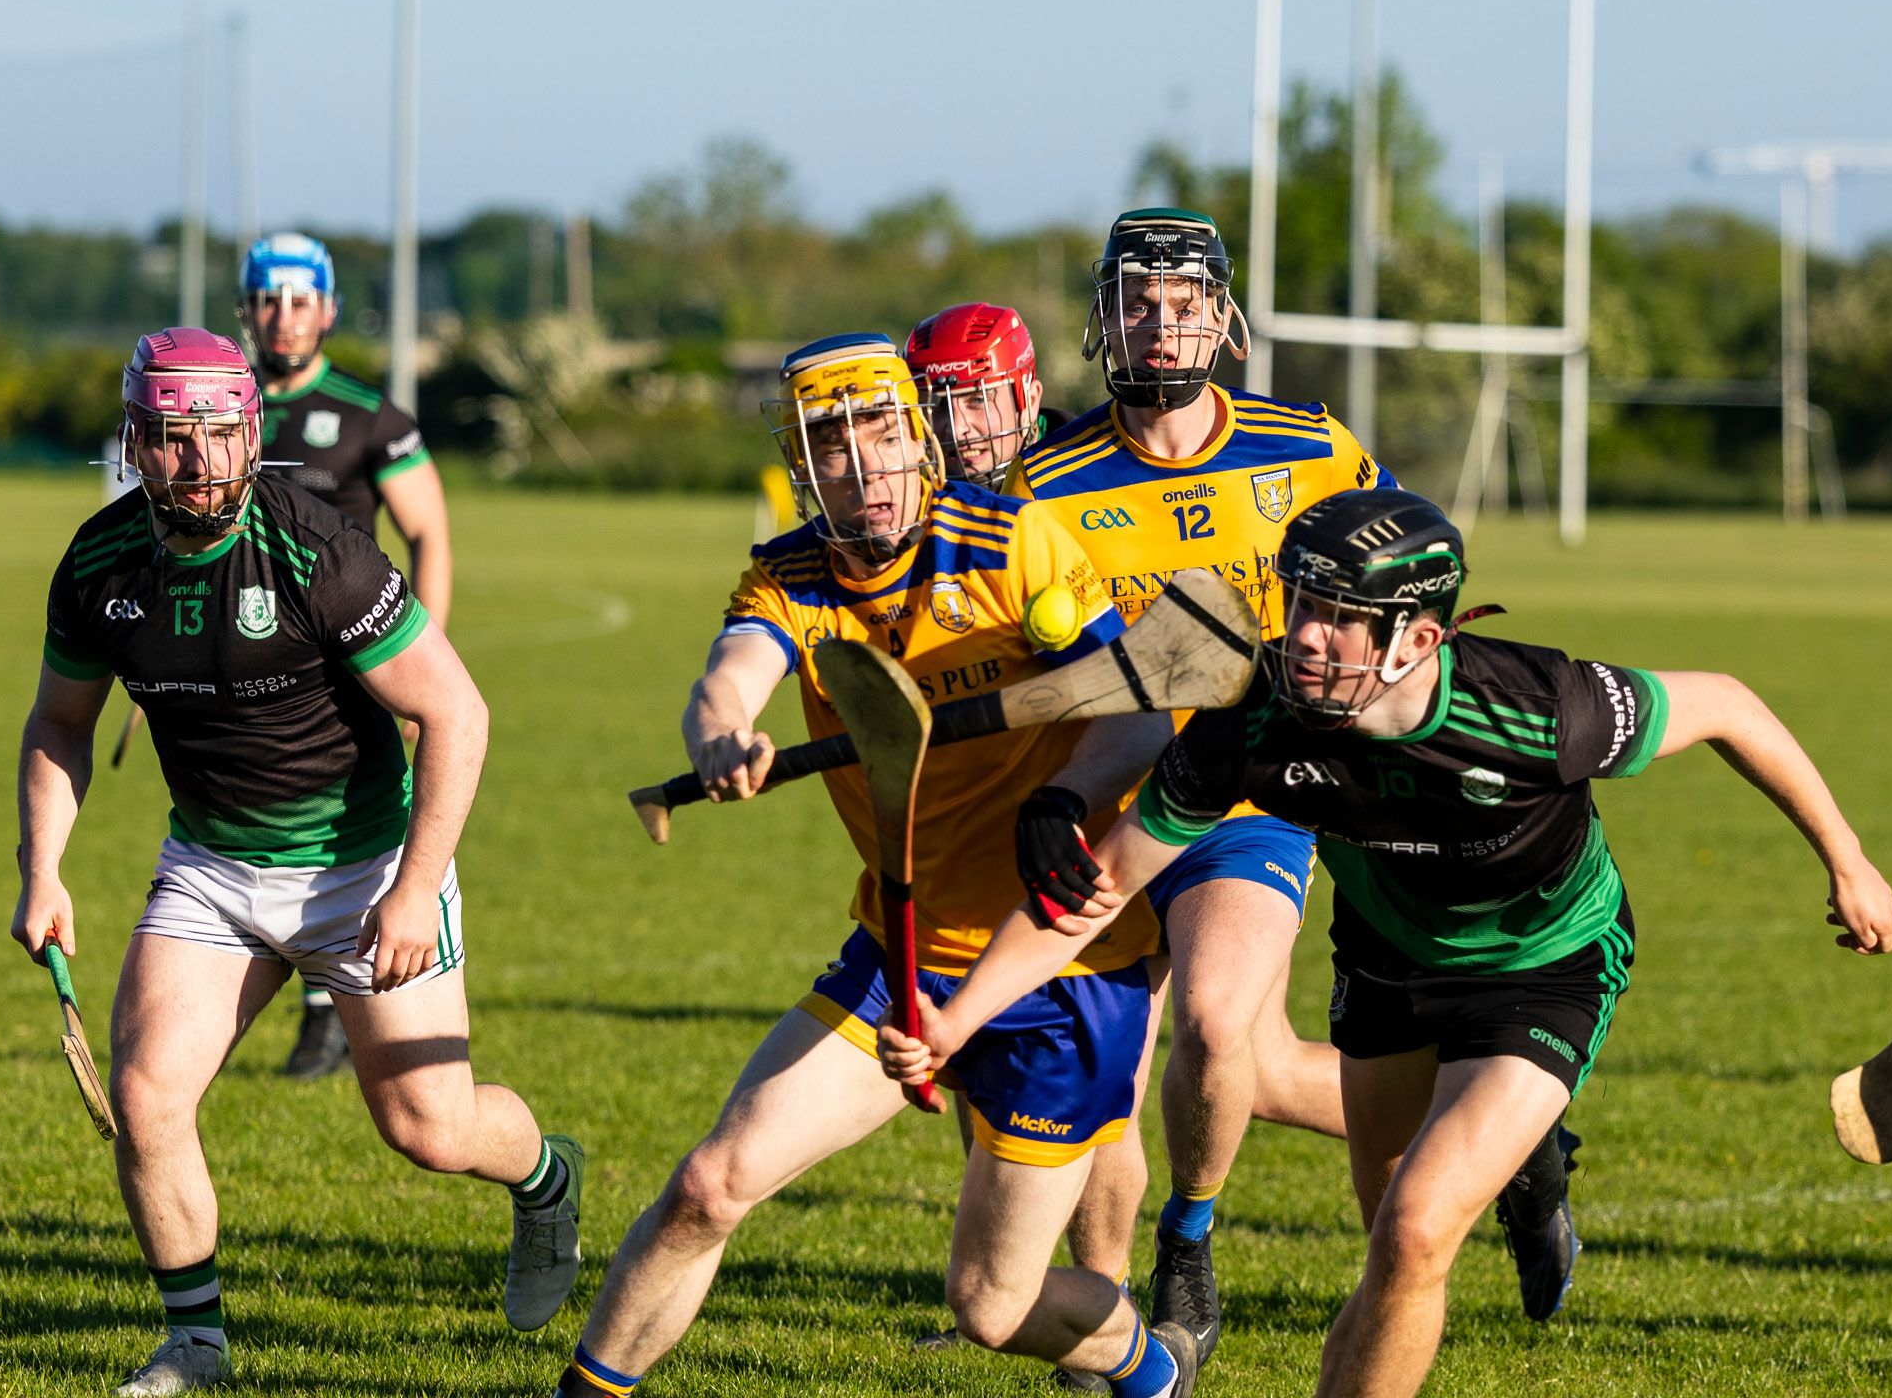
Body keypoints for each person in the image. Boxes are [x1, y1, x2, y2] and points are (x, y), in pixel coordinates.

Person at [881, 488, 1892, 1398]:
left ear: (1416, 638)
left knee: (1416, 1232)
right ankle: (1523, 1156)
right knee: (1388, 1239)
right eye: (1301, 605)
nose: (1306, 638)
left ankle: (1518, 1147)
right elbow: (1100, 889)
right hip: (1384, 968)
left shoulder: (1539, 706)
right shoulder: (1256, 724)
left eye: (1339, 618)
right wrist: (956, 1016)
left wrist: (1846, 860)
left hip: (1542, 969)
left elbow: (1727, 703)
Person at [1001, 208, 1600, 1367]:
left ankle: (1188, 1248)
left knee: (1216, 1028)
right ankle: (1511, 1144)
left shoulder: (1309, 444)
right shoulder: (1043, 482)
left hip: (1255, 785)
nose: (1158, 323)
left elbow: (1402, 579)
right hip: (1116, 792)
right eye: (1136, 300)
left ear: (1221, 317)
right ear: (1103, 314)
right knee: (1177, 1068)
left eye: (1182, 302)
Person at [552, 334, 1199, 1398]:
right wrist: (722, 737)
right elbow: (728, 679)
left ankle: (1144, 1366)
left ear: (918, 439)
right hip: (904, 959)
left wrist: (1060, 798)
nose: (864, 463)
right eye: (832, 442)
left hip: (1062, 971)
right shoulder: (790, 576)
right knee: (711, 1185)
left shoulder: (1010, 544)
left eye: (881, 432)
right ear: (803, 464)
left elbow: (1137, 714)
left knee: (992, 1307)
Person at [13, 328, 581, 1397]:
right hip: (214, 870)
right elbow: (59, 724)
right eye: (175, 439)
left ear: (253, 434)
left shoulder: (317, 550)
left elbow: (456, 712)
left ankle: (547, 1181)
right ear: (135, 444)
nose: (202, 460)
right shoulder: (99, 565)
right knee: (146, 1098)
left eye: (222, 434)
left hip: (362, 868)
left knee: (429, 1129)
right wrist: (43, 865)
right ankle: (198, 1344)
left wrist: (415, 890)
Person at [238, 232, 457, 1081]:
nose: (283, 317)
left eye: (301, 300)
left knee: (343, 830)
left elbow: (429, 533)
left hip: (352, 662)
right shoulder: (221, 407)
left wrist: (421, 659)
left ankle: (328, 1013)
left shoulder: (370, 417)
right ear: (247, 308)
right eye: (267, 299)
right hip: (246, 660)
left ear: (328, 309)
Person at [904, 301, 1070, 488]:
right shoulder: (910, 501)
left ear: (1029, 402)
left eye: (978, 399)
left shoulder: (1086, 481)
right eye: (939, 404)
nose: (957, 429)